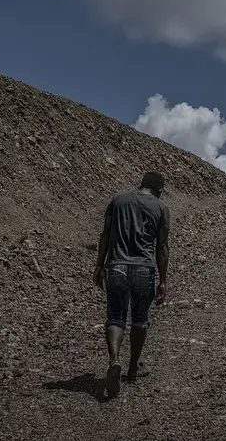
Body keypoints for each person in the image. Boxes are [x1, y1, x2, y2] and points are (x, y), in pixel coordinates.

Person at [92, 171, 170, 399]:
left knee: (116, 317)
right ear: (160, 189)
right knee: (140, 318)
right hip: (144, 268)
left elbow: (105, 234)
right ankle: (133, 368)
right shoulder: (161, 208)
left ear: (142, 183)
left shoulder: (118, 200)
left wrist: (99, 265)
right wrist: (163, 280)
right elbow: (162, 247)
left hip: (117, 266)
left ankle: (114, 360)